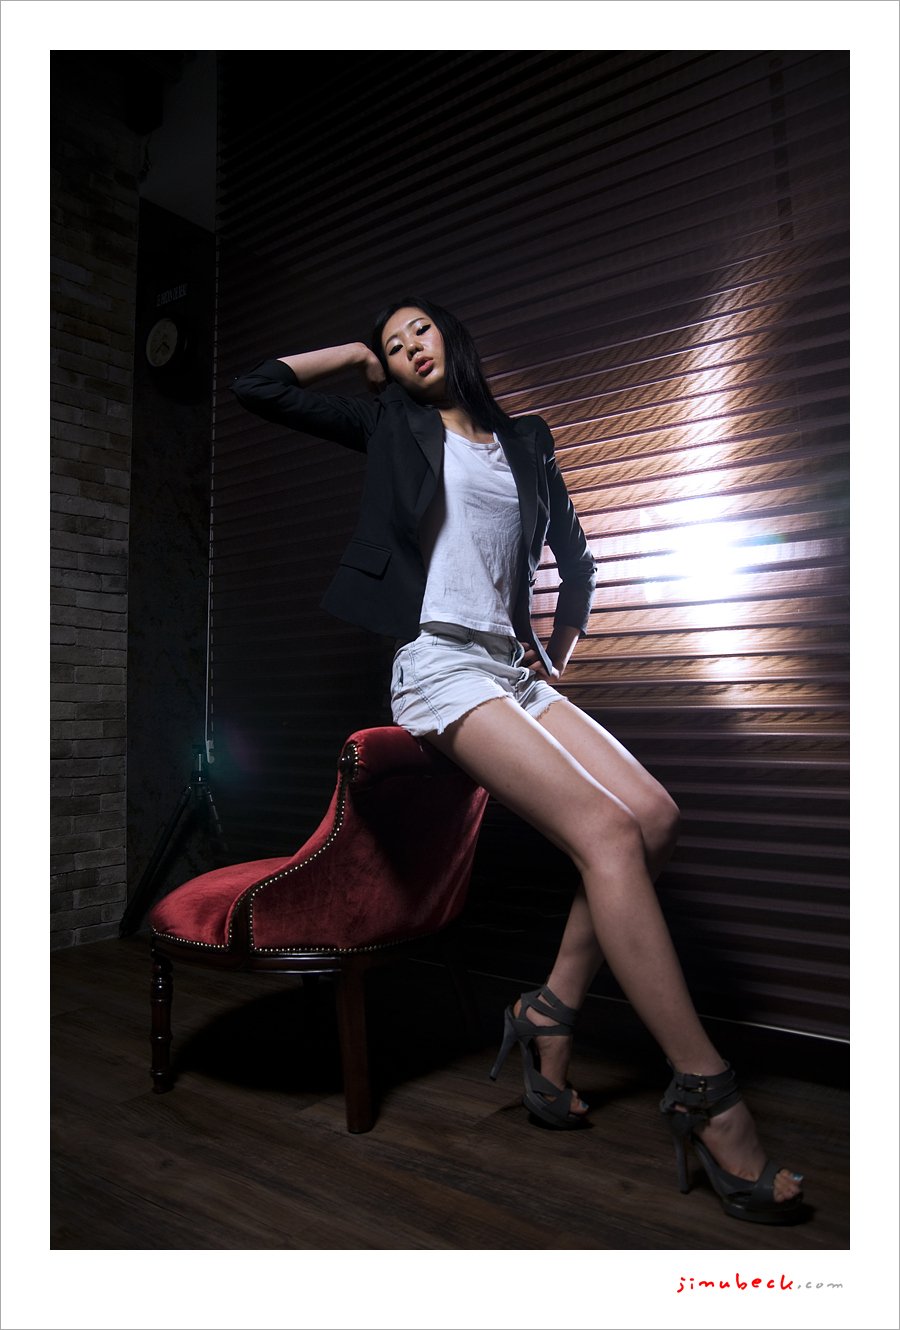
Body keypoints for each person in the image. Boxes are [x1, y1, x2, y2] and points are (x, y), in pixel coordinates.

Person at [231, 296, 804, 1224]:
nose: (407, 348)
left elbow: (578, 563)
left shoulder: (527, 440)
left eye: (418, 331)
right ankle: (707, 1092)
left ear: (452, 336)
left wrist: (555, 652)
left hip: (510, 667)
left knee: (655, 820)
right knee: (607, 832)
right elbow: (257, 387)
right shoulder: (391, 426)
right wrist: (356, 358)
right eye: (392, 345)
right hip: (438, 665)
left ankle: (547, 1013)